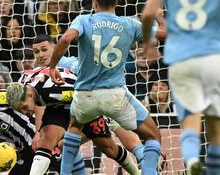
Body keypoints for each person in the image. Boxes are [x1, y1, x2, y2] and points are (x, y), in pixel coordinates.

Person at [49, 0, 166, 175]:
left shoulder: (84, 20)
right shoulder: (129, 24)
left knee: (74, 127)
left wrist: (53, 66)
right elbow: (162, 35)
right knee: (153, 135)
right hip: (114, 96)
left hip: (85, 97)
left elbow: (65, 39)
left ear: (94, 3)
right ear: (117, 2)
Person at [141, 0, 220, 174]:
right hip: (215, 57)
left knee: (190, 120)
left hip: (182, 58)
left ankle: (193, 159)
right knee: (217, 130)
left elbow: (148, 13)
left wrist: (147, 43)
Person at [33, 34, 147, 168]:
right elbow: (38, 103)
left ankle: (147, 164)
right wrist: (38, 131)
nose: (40, 54)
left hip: (102, 101)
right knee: (67, 145)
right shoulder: (36, 74)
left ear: (55, 48)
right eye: (36, 52)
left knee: (127, 141)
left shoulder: (68, 64)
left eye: (44, 49)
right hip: (79, 115)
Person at [7, 68, 140, 175]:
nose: (25, 112)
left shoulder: (54, 92)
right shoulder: (21, 84)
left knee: (109, 149)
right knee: (46, 140)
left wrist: (74, 128)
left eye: (24, 108)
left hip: (85, 101)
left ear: (30, 95)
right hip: (58, 106)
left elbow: (85, 96)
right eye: (21, 110)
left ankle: (137, 172)